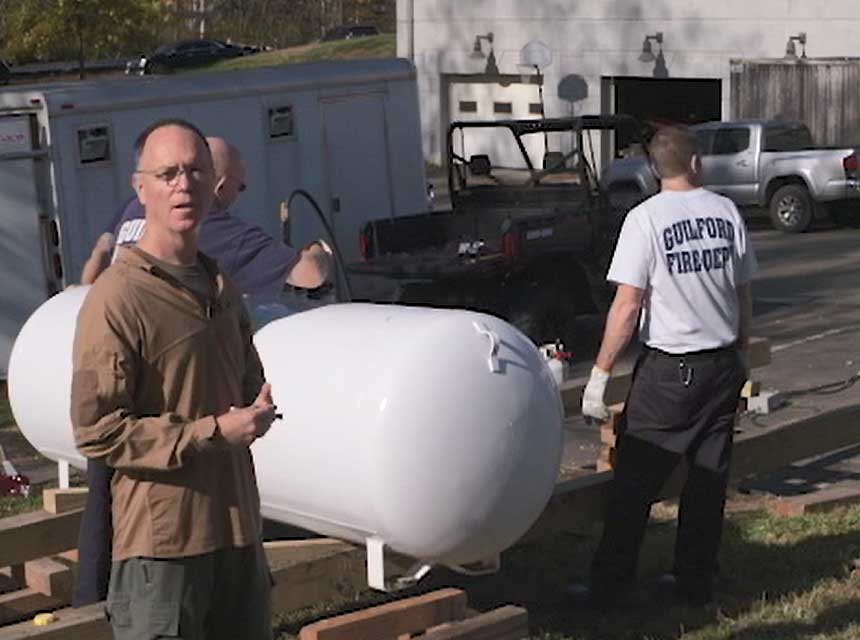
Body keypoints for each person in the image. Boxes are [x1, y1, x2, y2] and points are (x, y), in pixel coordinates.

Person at [72, 136, 330, 607]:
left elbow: (97, 254)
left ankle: (90, 598)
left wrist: (254, 406)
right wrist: (213, 431)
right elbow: (97, 432)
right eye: (167, 174)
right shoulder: (123, 295)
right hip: (166, 542)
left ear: (212, 182)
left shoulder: (217, 285)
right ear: (143, 187)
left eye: (194, 173)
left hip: (228, 531)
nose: (183, 186)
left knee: (99, 513)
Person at [573, 125, 756, 609]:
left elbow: (627, 305)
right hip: (722, 366)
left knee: (634, 483)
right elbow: (742, 294)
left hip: (671, 372)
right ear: (695, 162)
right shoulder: (726, 212)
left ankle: (609, 587)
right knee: (707, 481)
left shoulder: (645, 219)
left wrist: (599, 374)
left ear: (654, 169)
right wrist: (743, 350)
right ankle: (694, 581)